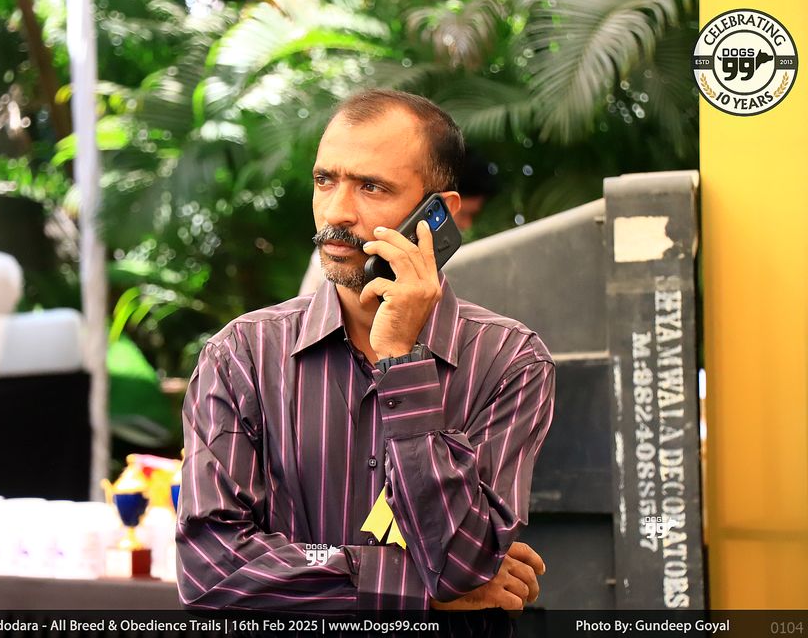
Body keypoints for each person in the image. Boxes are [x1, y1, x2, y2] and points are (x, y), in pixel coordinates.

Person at [176, 89, 555, 612]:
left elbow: (461, 564)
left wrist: (401, 358)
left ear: (439, 214)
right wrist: (415, 589)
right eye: (324, 180)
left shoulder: (509, 362)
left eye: (371, 187)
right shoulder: (241, 355)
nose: (337, 211)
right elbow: (211, 568)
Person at [297, 146, 496, 295]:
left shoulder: (497, 334)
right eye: (323, 180)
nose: (334, 215)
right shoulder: (338, 253)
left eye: (371, 187)